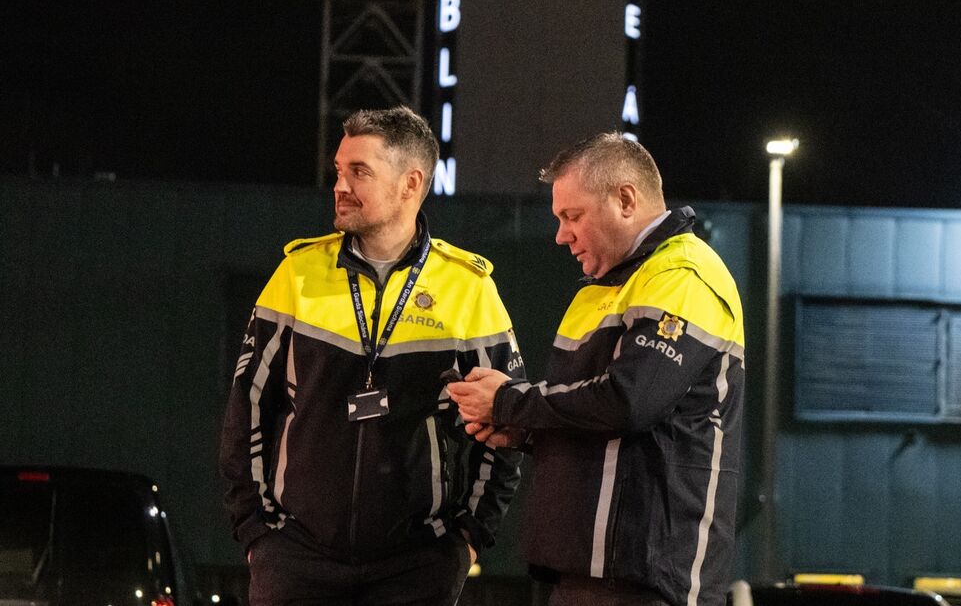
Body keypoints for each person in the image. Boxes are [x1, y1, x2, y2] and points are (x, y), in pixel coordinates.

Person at [220, 106, 524, 606]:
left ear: (410, 183)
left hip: (417, 566)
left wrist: (468, 540)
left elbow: (505, 428)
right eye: (339, 171)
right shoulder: (297, 273)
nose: (340, 185)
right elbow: (246, 407)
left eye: (359, 172)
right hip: (296, 557)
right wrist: (256, 530)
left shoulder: (469, 288)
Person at [447, 132, 745, 606]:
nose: (561, 234)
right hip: (585, 572)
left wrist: (509, 401)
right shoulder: (603, 284)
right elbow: (594, 417)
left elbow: (628, 401)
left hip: (648, 579)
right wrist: (524, 431)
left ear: (626, 199)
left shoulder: (684, 275)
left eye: (572, 216)